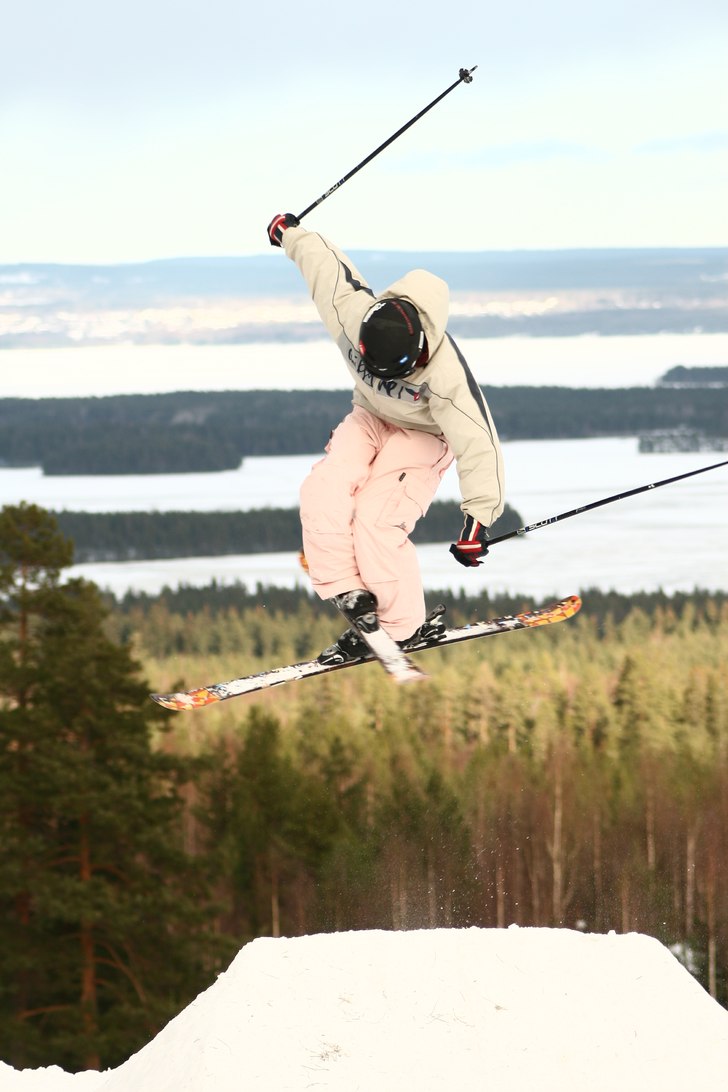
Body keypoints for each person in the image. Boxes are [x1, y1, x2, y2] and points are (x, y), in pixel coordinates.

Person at [266, 212, 505, 664]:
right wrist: (290, 233)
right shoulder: (352, 315)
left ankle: (403, 626)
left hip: (424, 434)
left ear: (418, 353)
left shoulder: (445, 376)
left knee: (376, 517)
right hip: (371, 416)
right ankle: (347, 590)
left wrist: (478, 519)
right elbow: (324, 267)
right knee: (323, 488)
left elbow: (479, 443)